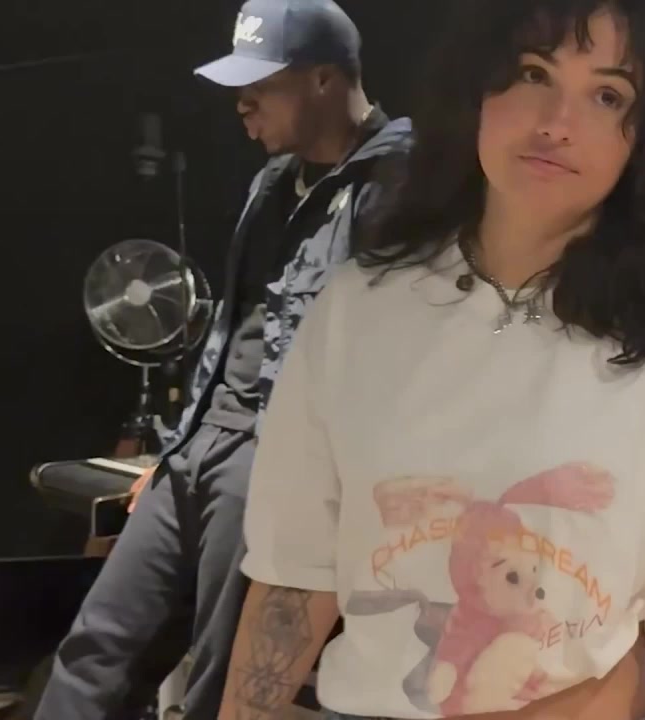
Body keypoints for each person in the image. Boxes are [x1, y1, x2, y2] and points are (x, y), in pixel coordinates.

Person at [220, 1, 645, 719]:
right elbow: (294, 575)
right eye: (533, 74)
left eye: (608, 95)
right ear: (476, 90)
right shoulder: (358, 307)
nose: (557, 122)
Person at [33, 1, 412, 718]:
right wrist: (180, 448)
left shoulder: (402, 185)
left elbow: (392, 364)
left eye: (260, 86)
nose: (242, 104)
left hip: (278, 465)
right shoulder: (271, 182)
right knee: (96, 650)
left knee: (223, 678)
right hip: (201, 448)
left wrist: (318, 489)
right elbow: (233, 327)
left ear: (324, 78)